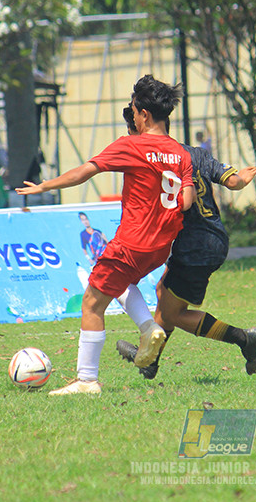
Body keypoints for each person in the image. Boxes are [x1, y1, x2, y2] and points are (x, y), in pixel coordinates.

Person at [15, 75, 195, 395]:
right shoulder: (181, 154)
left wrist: (45, 186)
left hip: (132, 242)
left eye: (135, 112)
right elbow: (186, 201)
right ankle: (148, 327)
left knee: (92, 303)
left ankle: (86, 380)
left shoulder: (132, 145)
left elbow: (85, 172)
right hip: (160, 245)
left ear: (144, 115)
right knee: (122, 284)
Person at [116, 114, 256, 379]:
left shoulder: (154, 161)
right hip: (213, 237)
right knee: (164, 291)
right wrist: (242, 178)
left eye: (131, 134)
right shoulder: (194, 153)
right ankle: (151, 361)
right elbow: (233, 181)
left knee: (173, 314)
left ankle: (244, 339)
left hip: (195, 247)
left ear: (140, 130)